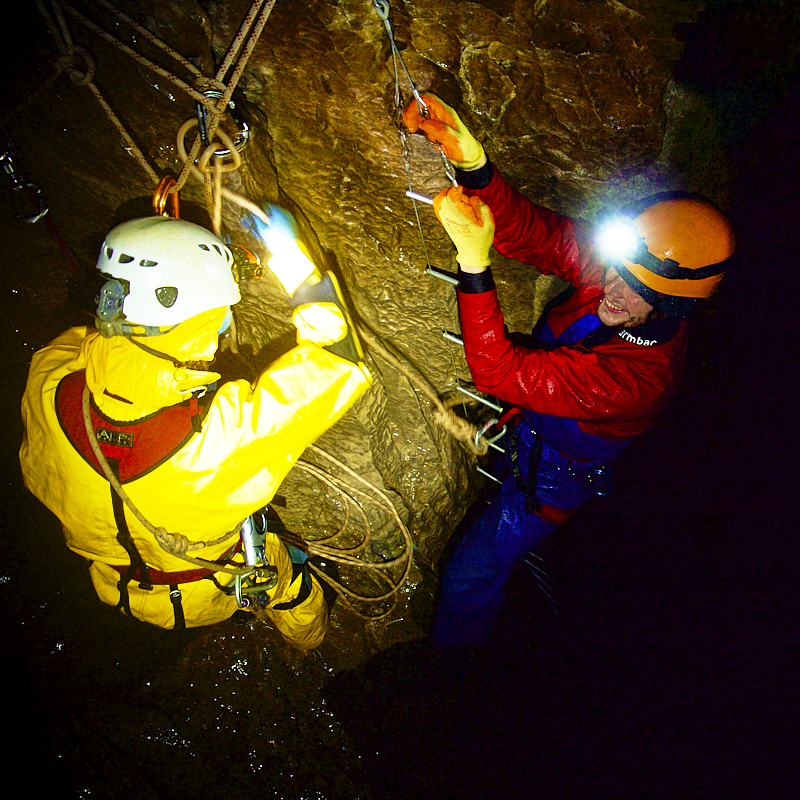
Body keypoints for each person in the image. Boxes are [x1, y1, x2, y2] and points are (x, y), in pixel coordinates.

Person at [404, 95, 735, 648]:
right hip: (531, 421)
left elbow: (498, 370)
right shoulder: (623, 267)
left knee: (467, 580)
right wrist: (472, 159)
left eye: (637, 289)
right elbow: (533, 233)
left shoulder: (638, 382)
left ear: (673, 308)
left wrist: (474, 262)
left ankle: (450, 669)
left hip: (554, 478)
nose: (612, 287)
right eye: (616, 269)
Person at [19, 210, 372, 649]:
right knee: (286, 585)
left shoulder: (48, 381)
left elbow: (86, 344)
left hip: (115, 584)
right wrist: (294, 262)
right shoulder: (220, 438)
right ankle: (312, 643)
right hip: (213, 589)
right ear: (210, 320)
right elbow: (338, 358)